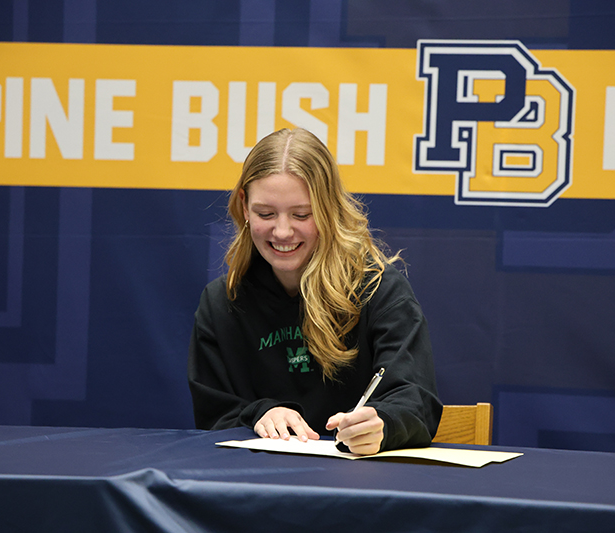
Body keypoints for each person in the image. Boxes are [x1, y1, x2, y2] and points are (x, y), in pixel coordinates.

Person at [187, 128, 442, 455]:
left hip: (360, 486)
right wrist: (260, 414)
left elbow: (416, 400)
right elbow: (214, 417)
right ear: (244, 207)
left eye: (301, 214)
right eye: (266, 213)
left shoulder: (378, 289)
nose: (282, 231)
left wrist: (382, 424)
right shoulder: (222, 303)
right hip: (257, 488)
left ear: (329, 209)